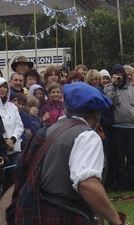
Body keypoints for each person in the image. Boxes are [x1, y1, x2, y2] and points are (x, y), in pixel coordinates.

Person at [6, 82, 124, 225]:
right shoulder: (87, 136)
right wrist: (116, 221)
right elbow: (87, 184)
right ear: (96, 114)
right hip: (68, 216)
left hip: (36, 211)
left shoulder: (46, 130)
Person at [104, 64, 134, 192]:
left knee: (133, 158)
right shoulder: (109, 88)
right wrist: (115, 86)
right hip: (117, 128)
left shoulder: (132, 90)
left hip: (132, 128)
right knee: (119, 159)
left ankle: (133, 183)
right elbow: (109, 103)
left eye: (121, 73)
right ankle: (120, 184)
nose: (119, 75)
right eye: (116, 73)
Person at [0, 78, 23, 194]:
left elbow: (19, 125)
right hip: (1, 151)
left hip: (15, 149)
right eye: (0, 86)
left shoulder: (12, 107)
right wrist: (4, 142)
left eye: (5, 87)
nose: (3, 89)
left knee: (13, 183)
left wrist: (12, 140)